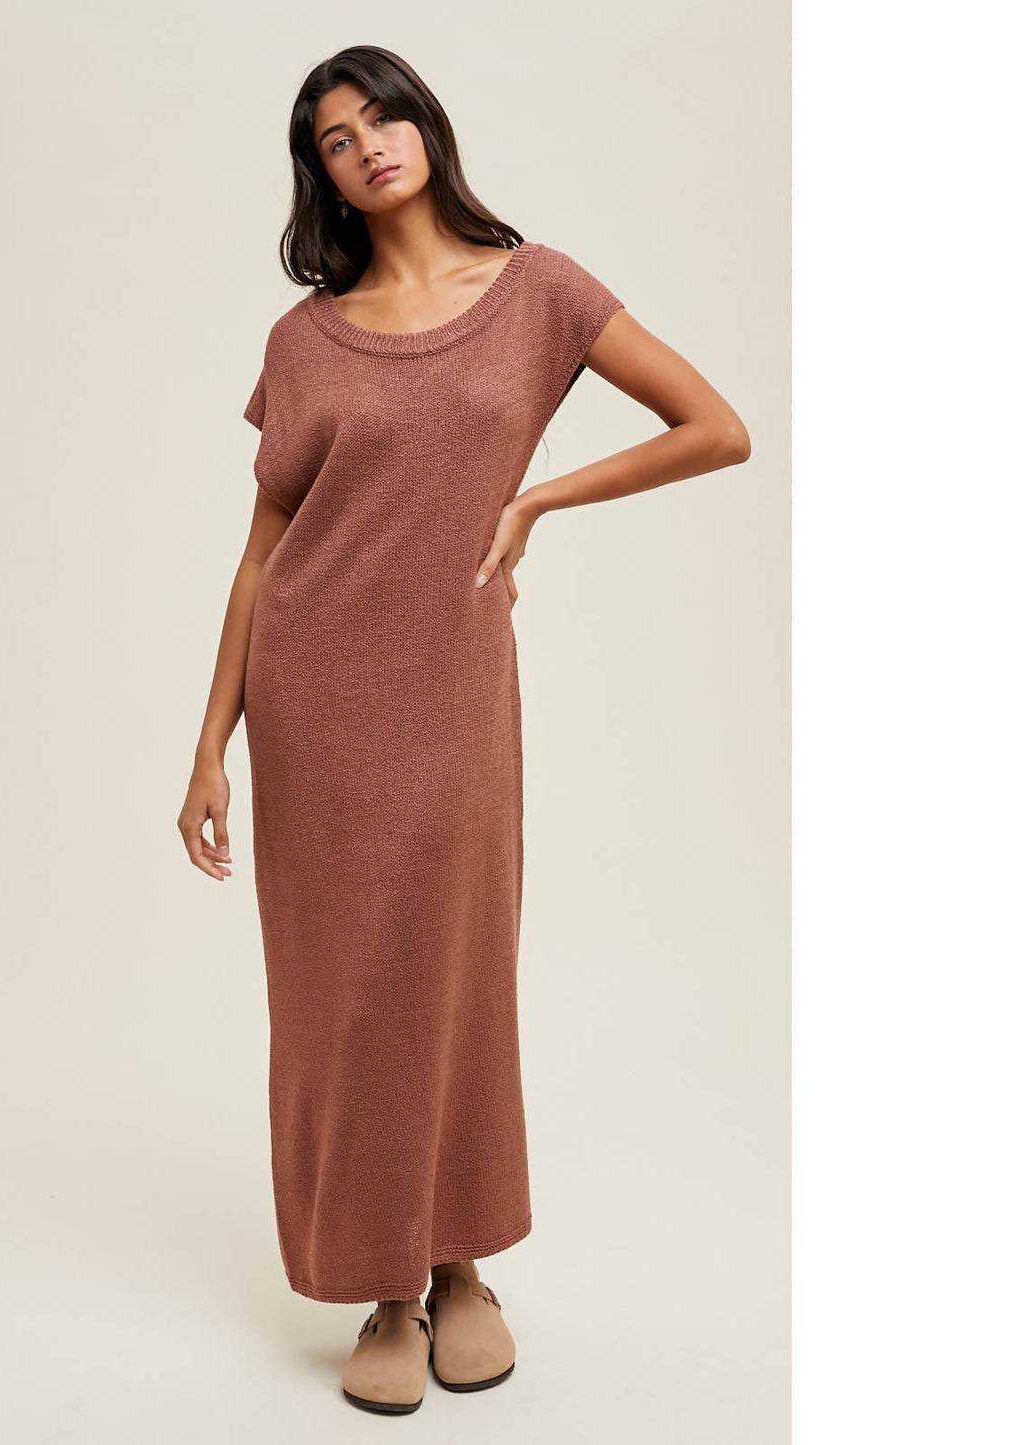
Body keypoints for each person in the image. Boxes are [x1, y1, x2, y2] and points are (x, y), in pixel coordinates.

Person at [177, 44, 751, 1415]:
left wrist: (536, 499)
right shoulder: (304, 339)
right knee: (341, 994)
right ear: (321, 177)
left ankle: (462, 1263)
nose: (367, 144)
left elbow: (714, 426)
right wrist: (209, 745)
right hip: (312, 699)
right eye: (335, 138)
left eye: (383, 116)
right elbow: (263, 550)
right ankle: (384, 1285)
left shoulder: (540, 291)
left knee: (452, 969)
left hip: (451, 691)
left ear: (427, 127)